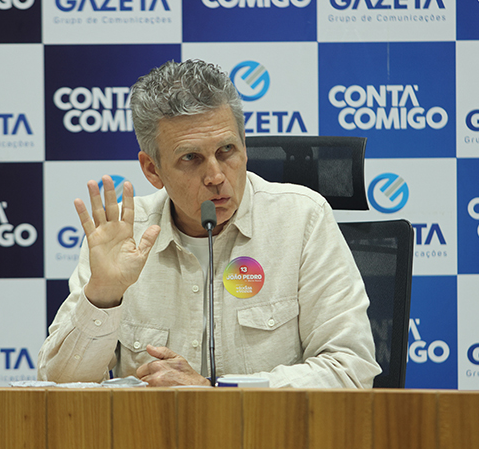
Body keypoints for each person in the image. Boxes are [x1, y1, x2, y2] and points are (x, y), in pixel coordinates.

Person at [37, 59, 380, 388]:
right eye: (191, 157)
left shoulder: (301, 219)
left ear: (244, 147)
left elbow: (350, 369)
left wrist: (217, 392)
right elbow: (57, 384)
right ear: (153, 170)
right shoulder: (122, 237)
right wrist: (104, 294)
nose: (216, 176)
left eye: (227, 149)